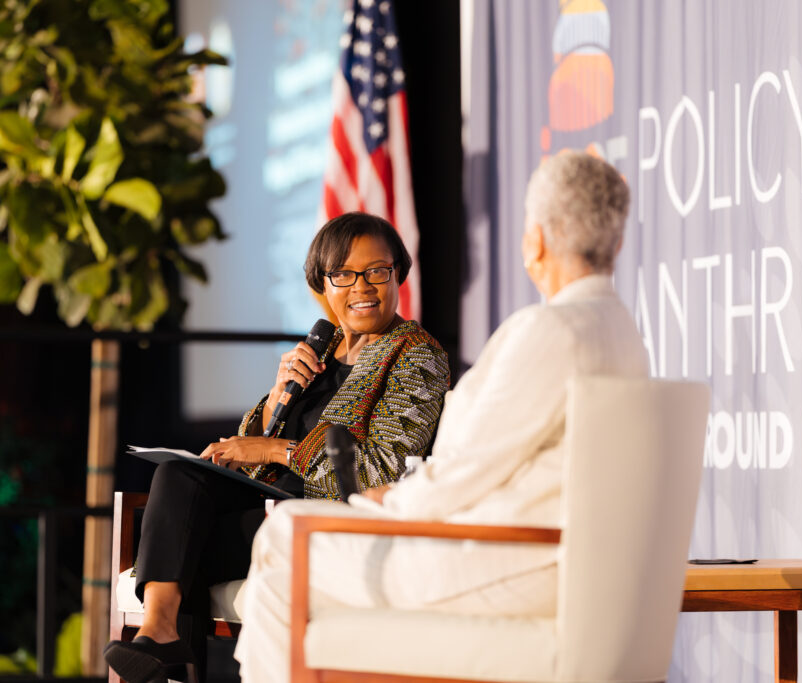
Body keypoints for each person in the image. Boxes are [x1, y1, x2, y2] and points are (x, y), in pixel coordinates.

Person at [234, 151, 650, 683]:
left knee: (287, 536)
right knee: (293, 533)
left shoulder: (548, 332)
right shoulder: (623, 332)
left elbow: (464, 473)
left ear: (536, 241)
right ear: (616, 242)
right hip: (564, 558)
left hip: (512, 560)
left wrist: (388, 501)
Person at [103, 212, 450, 683]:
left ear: (398, 275)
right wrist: (276, 401)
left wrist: (277, 449)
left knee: (181, 540)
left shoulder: (416, 354)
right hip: (267, 503)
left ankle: (163, 643)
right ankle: (160, 629)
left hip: (326, 514)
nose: (363, 287)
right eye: (344, 275)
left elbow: (380, 471)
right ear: (322, 284)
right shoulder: (319, 354)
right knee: (177, 476)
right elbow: (247, 445)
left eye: (377, 272)